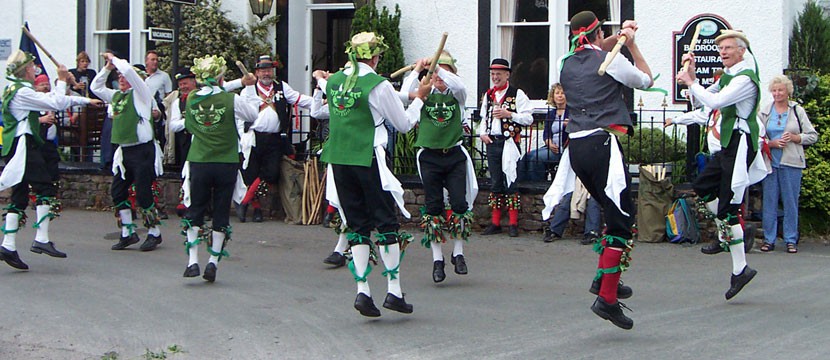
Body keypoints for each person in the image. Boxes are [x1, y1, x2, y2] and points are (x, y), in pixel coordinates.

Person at [543, 12, 651, 329]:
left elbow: (594, 49)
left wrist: (617, 37)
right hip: (601, 143)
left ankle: (607, 281)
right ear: (599, 31)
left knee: (609, 210)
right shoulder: (610, 60)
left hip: (576, 148)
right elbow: (646, 79)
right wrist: (632, 44)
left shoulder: (565, 63)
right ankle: (606, 298)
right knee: (622, 219)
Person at [312, 32, 415, 317]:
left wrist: (321, 77)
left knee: (357, 224)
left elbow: (322, 81)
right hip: (367, 158)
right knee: (385, 222)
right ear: (374, 56)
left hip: (338, 160)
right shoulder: (377, 85)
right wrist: (418, 102)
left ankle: (363, 291)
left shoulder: (333, 83)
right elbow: (403, 125)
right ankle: (393, 290)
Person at [677, 30, 768, 301]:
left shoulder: (745, 79)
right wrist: (691, 76)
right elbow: (705, 104)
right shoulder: (729, 76)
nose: (723, 52)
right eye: (720, 49)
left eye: (728, 48)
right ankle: (727, 232)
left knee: (729, 206)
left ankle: (738, 263)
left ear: (742, 50)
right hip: (728, 144)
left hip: (741, 143)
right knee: (702, 186)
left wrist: (691, 81)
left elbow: (716, 101)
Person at [0, 50, 102, 270]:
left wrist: (83, 100)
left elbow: (53, 100)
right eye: (31, 68)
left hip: (19, 145)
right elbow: (54, 102)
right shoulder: (22, 93)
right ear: (24, 70)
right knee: (45, 187)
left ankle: (8, 245)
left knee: (19, 195)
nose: (34, 70)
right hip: (24, 145)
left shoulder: (16, 89)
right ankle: (42, 239)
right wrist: (62, 79)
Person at [180, 55, 258, 282]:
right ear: (222, 77)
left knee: (196, 208)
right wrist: (250, 88)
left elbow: (188, 125)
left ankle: (192, 261)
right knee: (221, 211)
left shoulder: (192, 98)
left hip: (200, 161)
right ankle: (213, 261)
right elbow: (253, 115)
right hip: (225, 162)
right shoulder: (231, 99)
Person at [403, 52, 478, 283]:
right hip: (430, 157)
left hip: (454, 155)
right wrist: (417, 71)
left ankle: (458, 253)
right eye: (435, 73)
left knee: (459, 203)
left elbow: (458, 84)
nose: (438, 77)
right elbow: (404, 96)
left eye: (444, 72)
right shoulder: (424, 95)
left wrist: (438, 68)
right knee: (433, 207)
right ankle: (437, 259)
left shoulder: (458, 95)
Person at [91, 52, 165, 252]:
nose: (121, 80)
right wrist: (107, 67)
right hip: (124, 151)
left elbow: (130, 72)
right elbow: (95, 87)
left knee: (143, 193)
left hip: (143, 151)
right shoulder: (116, 96)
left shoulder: (142, 94)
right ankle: (128, 232)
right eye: (119, 78)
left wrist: (116, 59)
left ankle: (154, 232)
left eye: (124, 77)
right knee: (117, 191)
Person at [236, 55, 313, 223]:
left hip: (274, 139)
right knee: (250, 174)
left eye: (269, 70)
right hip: (253, 137)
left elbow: (299, 99)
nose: (266, 73)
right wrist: (242, 137)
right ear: (256, 72)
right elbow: (239, 116)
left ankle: (244, 202)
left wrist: (320, 101)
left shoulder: (281, 87)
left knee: (270, 174)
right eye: (263, 70)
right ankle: (256, 210)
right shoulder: (247, 90)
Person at [758, 75, 817, 253]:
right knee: (769, 202)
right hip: (770, 163)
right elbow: (758, 138)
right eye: (774, 90)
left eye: (780, 90)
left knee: (790, 202)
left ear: (788, 92)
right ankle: (769, 239)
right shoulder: (765, 111)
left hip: (791, 163)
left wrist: (795, 138)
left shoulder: (797, 111)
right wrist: (771, 143)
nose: (777, 93)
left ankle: (791, 239)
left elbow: (812, 135)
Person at [477, 58, 534, 237]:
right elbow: (483, 118)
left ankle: (513, 224)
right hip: (492, 142)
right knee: (495, 182)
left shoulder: (517, 94)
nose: (495, 77)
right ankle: (495, 223)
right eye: (493, 74)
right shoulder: (488, 94)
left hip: (510, 143)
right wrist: (483, 133)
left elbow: (529, 118)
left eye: (498, 74)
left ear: (507, 75)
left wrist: (510, 114)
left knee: (511, 181)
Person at [518, 83, 568, 182]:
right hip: (551, 147)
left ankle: (537, 184)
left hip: (564, 149)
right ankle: (523, 184)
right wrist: (549, 143)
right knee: (527, 156)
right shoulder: (551, 113)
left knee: (536, 158)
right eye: (557, 93)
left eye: (563, 93)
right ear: (553, 96)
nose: (560, 95)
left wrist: (569, 125)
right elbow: (546, 133)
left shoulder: (572, 113)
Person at [543, 179, 602, 245]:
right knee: (567, 199)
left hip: (598, 184)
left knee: (593, 202)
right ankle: (554, 230)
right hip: (580, 184)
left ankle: (592, 232)